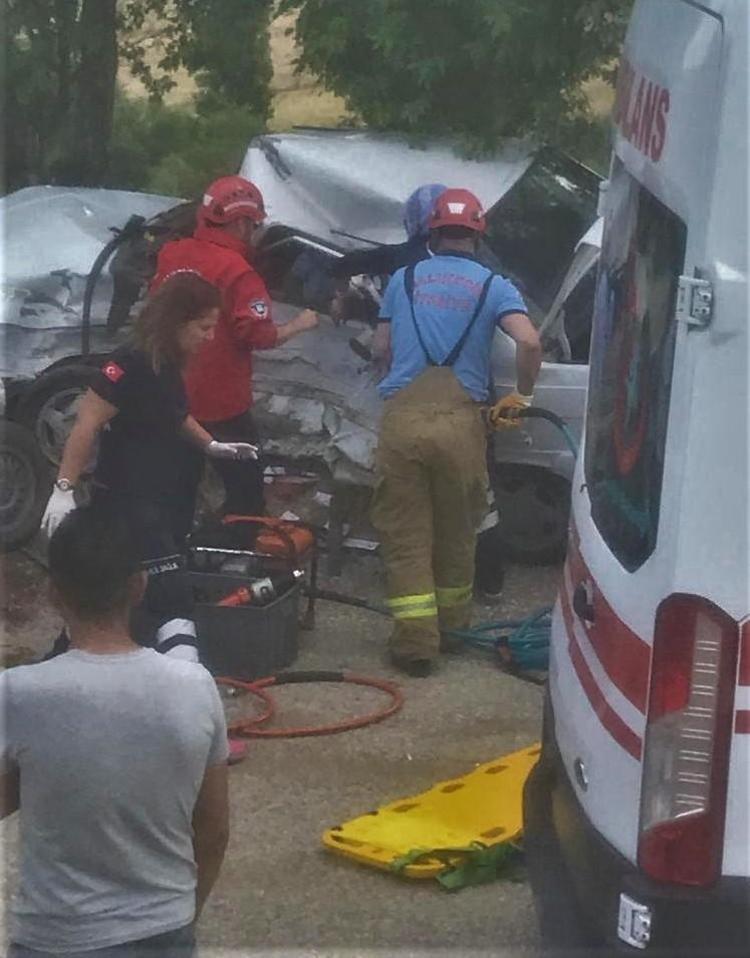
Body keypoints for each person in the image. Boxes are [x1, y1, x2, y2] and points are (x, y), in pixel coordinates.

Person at [1, 505, 229, 956]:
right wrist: (184, 915)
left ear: (53, 593)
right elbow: (214, 829)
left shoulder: (19, 693)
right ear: (139, 586)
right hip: (165, 930)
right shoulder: (195, 687)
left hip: (56, 938)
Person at [41, 272, 256, 667]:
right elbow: (87, 422)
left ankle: (140, 668)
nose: (211, 337)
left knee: (144, 600)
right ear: (177, 321)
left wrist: (211, 445)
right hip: (126, 502)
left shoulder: (166, 364)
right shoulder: (129, 363)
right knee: (165, 596)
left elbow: (174, 413)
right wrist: (64, 487)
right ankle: (183, 681)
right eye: (204, 327)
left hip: (164, 498)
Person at [370, 188, 542, 676]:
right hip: (461, 422)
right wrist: (522, 397)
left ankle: (414, 647)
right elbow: (530, 342)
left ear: (432, 231)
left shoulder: (403, 279)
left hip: (404, 419)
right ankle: (452, 630)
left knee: (406, 536)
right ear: (478, 234)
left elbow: (381, 347)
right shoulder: (494, 286)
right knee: (457, 531)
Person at [330, 183, 508, 599]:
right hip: (470, 400)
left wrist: (341, 297)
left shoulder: (402, 265)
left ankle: (418, 590)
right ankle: (487, 583)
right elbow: (525, 337)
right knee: (477, 497)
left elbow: (350, 273)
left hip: (411, 401)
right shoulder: (487, 272)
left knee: (412, 503)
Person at [152, 175, 319, 517]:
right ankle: (238, 541)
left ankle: (176, 544)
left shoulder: (171, 254)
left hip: (169, 393)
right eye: (255, 225)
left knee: (176, 490)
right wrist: (300, 324)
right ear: (241, 223)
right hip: (221, 405)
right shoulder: (238, 272)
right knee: (246, 492)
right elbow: (258, 336)